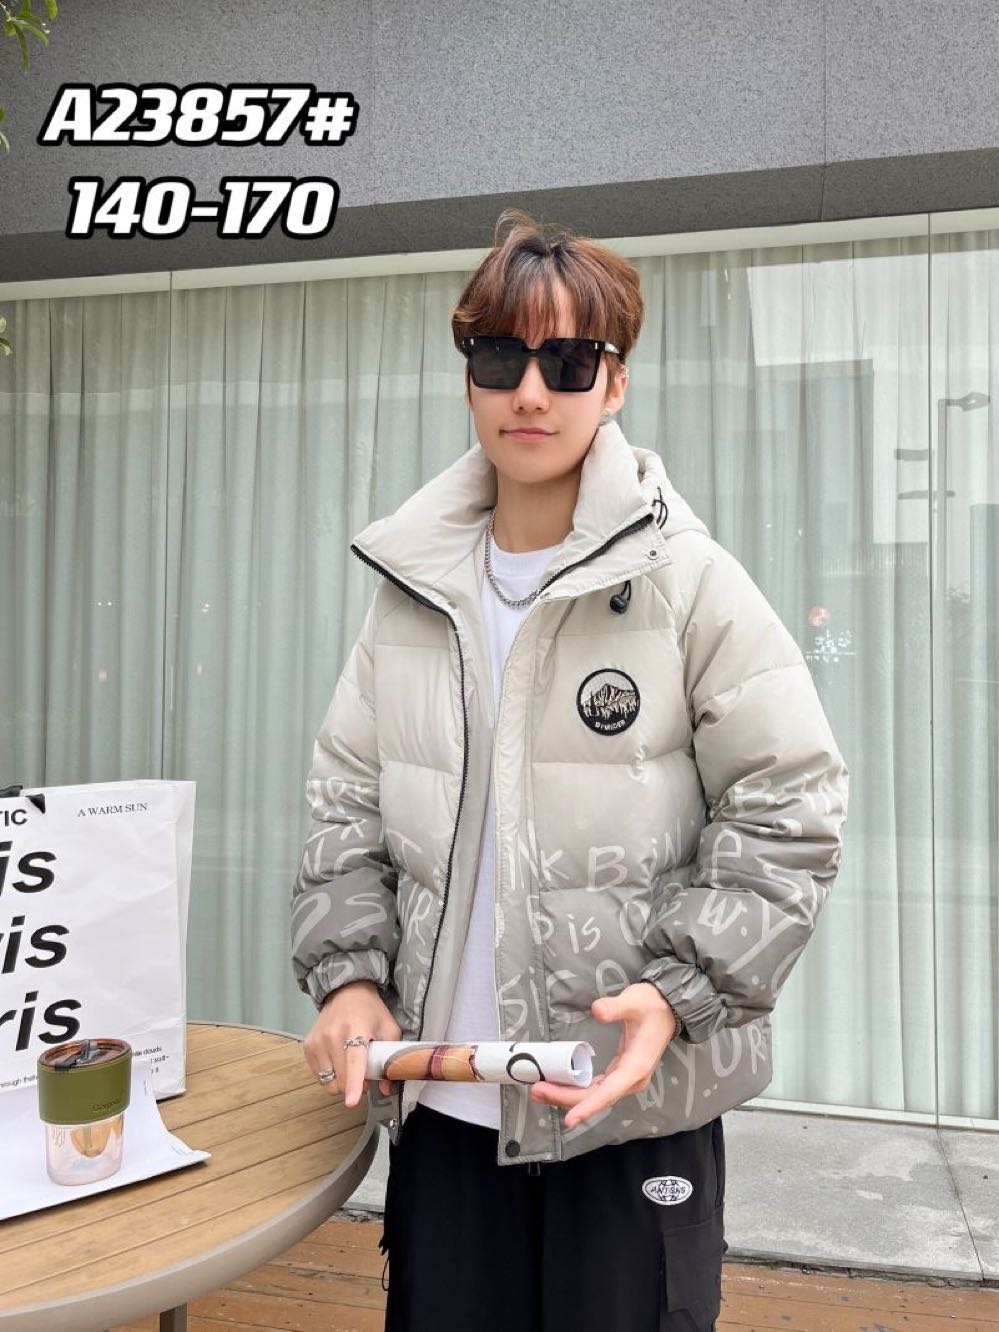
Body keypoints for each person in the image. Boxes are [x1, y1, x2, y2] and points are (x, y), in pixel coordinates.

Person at [290, 209, 850, 1331]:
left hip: (627, 1100)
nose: (531, 392)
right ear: (469, 378)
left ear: (615, 381)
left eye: (569, 360)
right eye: (500, 357)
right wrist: (348, 975)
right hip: (445, 1095)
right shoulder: (410, 594)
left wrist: (683, 991)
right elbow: (345, 802)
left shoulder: (688, 580)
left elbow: (789, 801)